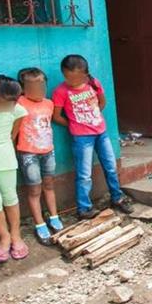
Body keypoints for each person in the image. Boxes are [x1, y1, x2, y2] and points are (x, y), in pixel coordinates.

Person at [52, 55, 134, 219]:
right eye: (68, 78)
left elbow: (102, 102)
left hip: (101, 133)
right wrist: (75, 124)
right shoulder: (61, 91)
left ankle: (117, 197)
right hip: (82, 138)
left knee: (111, 167)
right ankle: (83, 208)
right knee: (84, 174)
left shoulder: (93, 84)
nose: (72, 82)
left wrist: (94, 117)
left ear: (85, 74)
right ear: (63, 74)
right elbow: (57, 116)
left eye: (76, 78)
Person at [0, 76, 29, 262]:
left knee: (10, 197)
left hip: (5, 158)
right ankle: (4, 237)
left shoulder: (17, 110)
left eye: (10, 104)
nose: (5, 108)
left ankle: (16, 235)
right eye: (0, 103)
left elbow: (12, 135)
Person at [16, 67, 62, 245]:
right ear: (23, 88)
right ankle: (39, 223)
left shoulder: (49, 103)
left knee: (49, 184)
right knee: (34, 189)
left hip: (48, 151)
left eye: (41, 86)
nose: (38, 91)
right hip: (28, 154)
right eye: (32, 87)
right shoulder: (19, 104)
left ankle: (54, 216)